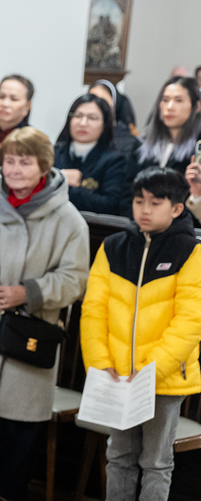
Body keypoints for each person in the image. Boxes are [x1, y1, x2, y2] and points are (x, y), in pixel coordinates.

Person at [0, 127, 89, 501]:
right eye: (10, 161)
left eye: (25, 162)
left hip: (29, 333)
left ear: (44, 166)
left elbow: (75, 280)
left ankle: (7, 494)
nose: (14, 169)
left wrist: (29, 291)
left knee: (20, 426)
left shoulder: (69, 220)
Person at [81, 167, 201, 501]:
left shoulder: (191, 251)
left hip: (162, 378)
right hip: (116, 377)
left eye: (155, 203)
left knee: (156, 462)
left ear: (177, 208)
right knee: (118, 456)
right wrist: (100, 363)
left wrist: (150, 369)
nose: (144, 210)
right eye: (139, 201)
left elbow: (191, 320)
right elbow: (93, 311)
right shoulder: (113, 246)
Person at [125, 76, 201, 217]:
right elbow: (127, 191)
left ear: (197, 106)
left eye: (178, 100)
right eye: (165, 100)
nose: (170, 107)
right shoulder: (142, 145)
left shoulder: (197, 150)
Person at [54, 93, 126, 215]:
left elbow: (110, 204)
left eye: (92, 118)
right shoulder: (53, 153)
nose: (83, 123)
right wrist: (61, 176)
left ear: (105, 124)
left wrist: (62, 184)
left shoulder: (114, 160)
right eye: (78, 116)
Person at [88, 79, 138, 160]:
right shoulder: (81, 132)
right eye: (92, 99)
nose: (96, 105)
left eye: (103, 101)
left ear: (114, 105)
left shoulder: (129, 142)